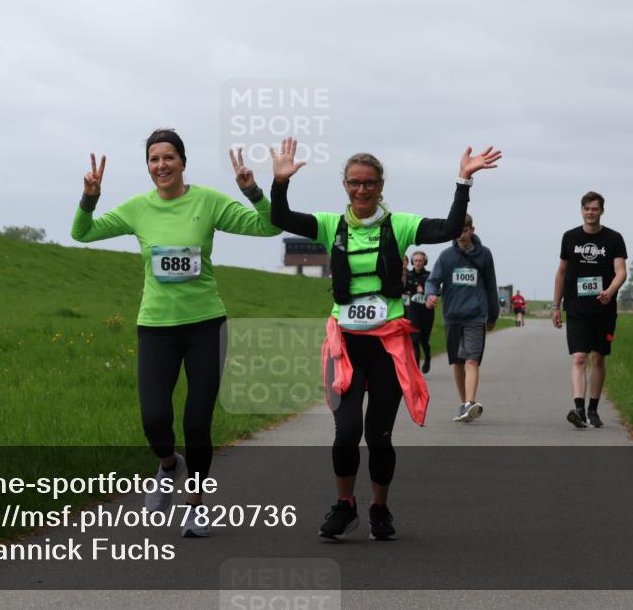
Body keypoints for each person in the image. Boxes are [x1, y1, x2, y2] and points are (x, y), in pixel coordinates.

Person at [269, 137, 501, 540]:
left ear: (381, 186)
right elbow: (281, 217)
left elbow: (447, 228)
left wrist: (463, 180)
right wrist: (279, 182)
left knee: (378, 436)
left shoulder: (400, 225)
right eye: (355, 183)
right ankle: (345, 506)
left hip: (387, 347)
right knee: (345, 433)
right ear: (345, 185)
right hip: (344, 346)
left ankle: (379, 508)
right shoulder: (330, 225)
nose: (362, 190)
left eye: (370, 183)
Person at [71, 129, 281, 536]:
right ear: (148, 166)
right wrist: (90, 197)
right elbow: (82, 233)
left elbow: (269, 228)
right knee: (154, 418)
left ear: (183, 162)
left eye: (169, 157)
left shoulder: (208, 202)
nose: (161, 165)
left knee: (197, 423)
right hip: (156, 328)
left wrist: (253, 191)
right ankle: (169, 465)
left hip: (205, 325)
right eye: (153, 159)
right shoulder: (138, 209)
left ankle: (196, 505)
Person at [552, 191, 627, 429]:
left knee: (598, 357)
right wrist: (556, 305)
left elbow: (621, 271)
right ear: (581, 210)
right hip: (576, 307)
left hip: (604, 309)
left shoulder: (614, 238)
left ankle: (593, 409)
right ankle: (579, 409)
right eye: (586, 208)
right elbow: (561, 272)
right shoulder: (570, 237)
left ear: (602, 211)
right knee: (579, 357)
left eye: (594, 209)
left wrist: (611, 290)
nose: (590, 212)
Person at [424, 214, 499, 423]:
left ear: (472, 230)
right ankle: (464, 402)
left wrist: (493, 314)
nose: (462, 235)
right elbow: (433, 280)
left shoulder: (484, 255)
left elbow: (491, 286)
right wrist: (430, 295)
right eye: (458, 231)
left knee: (472, 360)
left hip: (475, 315)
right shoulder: (446, 256)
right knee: (457, 362)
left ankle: (469, 403)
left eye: (465, 230)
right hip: (452, 316)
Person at [404, 251, 435, 373]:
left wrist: (426, 291)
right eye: (416, 260)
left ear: (424, 262)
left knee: (424, 340)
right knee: (414, 339)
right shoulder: (409, 275)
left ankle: (427, 358)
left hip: (427, 311)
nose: (418, 263)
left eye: (420, 261)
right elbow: (402, 288)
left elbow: (438, 291)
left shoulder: (429, 275)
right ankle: (416, 369)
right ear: (412, 262)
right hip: (413, 311)